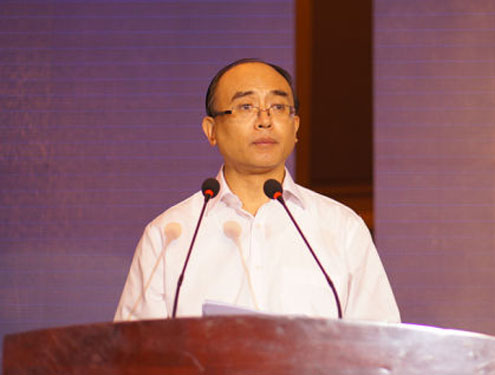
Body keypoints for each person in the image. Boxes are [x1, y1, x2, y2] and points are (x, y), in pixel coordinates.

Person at [114, 59, 400, 323]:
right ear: (211, 130)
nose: (265, 120)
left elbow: (382, 346)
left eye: (279, 107)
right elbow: (132, 349)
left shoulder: (342, 228)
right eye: (246, 106)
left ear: (295, 127)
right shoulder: (169, 235)